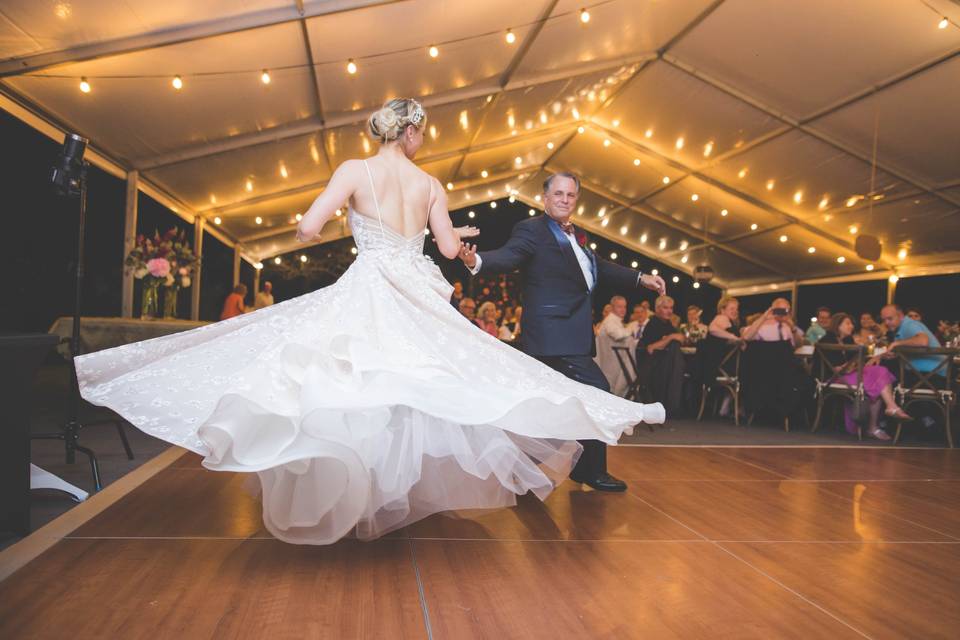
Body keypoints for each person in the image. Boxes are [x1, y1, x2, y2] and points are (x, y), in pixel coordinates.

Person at [75, 99, 663, 546]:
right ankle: (396, 495)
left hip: (372, 283)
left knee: (356, 384)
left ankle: (360, 497)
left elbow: (308, 230)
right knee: (422, 387)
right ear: (409, 132)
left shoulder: (355, 170)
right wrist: (466, 240)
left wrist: (331, 225)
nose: (424, 138)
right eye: (423, 130)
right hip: (415, 287)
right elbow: (446, 243)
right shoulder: (430, 183)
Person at [458, 171, 666, 492]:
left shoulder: (578, 235)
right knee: (593, 393)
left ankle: (532, 470)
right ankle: (585, 471)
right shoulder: (531, 230)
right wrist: (479, 261)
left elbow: (601, 267)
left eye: (570, 195)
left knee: (552, 406)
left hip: (573, 333)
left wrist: (640, 278)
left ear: (576, 200)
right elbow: (510, 255)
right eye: (558, 194)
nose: (564, 200)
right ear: (545, 197)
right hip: (551, 335)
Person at [819, 313, 910, 440]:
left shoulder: (848, 340)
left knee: (880, 371)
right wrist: (853, 364)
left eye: (852, 323)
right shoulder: (826, 341)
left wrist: (879, 356)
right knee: (878, 379)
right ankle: (875, 425)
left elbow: (857, 363)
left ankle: (889, 408)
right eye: (848, 323)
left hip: (849, 375)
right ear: (837, 325)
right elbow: (835, 368)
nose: (851, 326)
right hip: (833, 379)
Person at [637, 295, 686, 413]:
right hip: (650, 366)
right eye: (666, 308)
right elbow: (651, 348)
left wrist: (668, 339)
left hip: (663, 365)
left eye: (671, 308)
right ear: (657, 309)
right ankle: (671, 407)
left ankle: (673, 405)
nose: (669, 311)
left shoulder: (668, 324)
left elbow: (681, 338)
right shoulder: (653, 323)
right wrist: (670, 338)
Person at [879, 304, 945, 382]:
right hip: (928, 375)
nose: (886, 323)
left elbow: (923, 341)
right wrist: (880, 356)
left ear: (900, 316)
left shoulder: (909, 325)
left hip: (932, 377)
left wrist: (896, 343)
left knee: (881, 371)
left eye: (890, 319)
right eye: (884, 320)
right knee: (883, 367)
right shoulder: (900, 329)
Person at [594, 295, 640, 396]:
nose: (623, 310)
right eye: (619, 306)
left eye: (625, 307)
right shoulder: (610, 321)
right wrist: (631, 329)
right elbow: (618, 335)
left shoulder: (615, 321)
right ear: (612, 307)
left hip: (613, 363)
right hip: (610, 364)